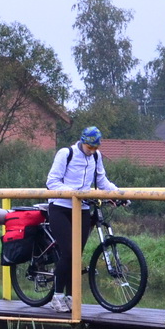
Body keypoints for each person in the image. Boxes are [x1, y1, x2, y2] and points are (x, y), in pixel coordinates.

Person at [43, 126, 121, 312]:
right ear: (82, 142)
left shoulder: (96, 156)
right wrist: (76, 194)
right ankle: (57, 296)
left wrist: (119, 194)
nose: (92, 151)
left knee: (76, 255)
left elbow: (102, 181)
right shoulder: (66, 153)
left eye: (95, 148)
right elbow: (52, 181)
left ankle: (71, 296)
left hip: (82, 208)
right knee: (69, 253)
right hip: (61, 207)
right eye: (89, 148)